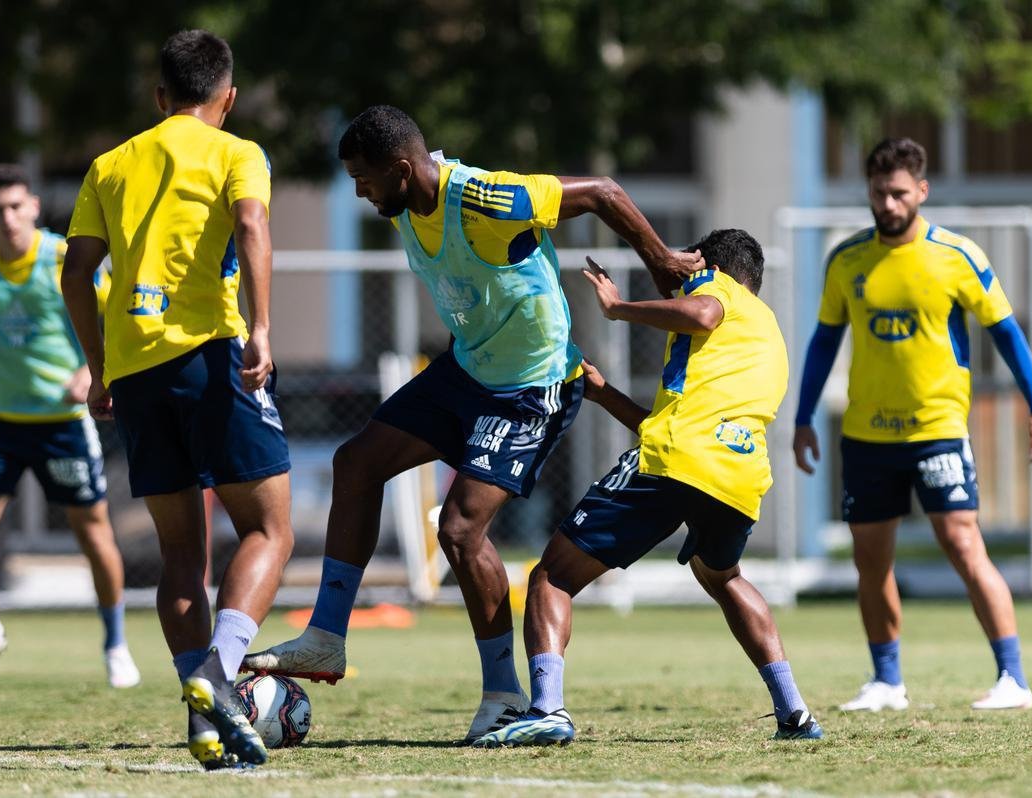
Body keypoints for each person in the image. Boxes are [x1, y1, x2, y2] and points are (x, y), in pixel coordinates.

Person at [243, 104, 701, 743]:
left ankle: (505, 697)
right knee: (357, 462)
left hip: (530, 386)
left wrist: (657, 258)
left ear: (403, 170)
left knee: (459, 530)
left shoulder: (487, 199)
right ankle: (326, 637)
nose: (359, 192)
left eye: (365, 179)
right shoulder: (406, 203)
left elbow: (602, 192)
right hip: (468, 371)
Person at [474, 229, 822, 747]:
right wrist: (602, 393)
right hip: (740, 473)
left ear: (708, 267)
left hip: (675, 462)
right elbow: (661, 422)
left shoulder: (716, 293)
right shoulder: (763, 329)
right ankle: (795, 713)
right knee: (725, 578)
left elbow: (702, 312)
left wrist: (617, 308)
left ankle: (547, 708)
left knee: (551, 578)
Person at [62, 30, 293, 769]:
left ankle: (205, 714)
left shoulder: (110, 163)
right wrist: (260, 328)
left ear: (160, 97)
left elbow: (75, 273)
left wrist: (99, 368)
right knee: (269, 530)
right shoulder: (237, 153)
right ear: (227, 97)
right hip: (210, 357)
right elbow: (252, 225)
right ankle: (219, 680)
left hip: (135, 374)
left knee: (178, 554)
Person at [792, 137, 1032, 712]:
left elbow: (1006, 334)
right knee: (871, 561)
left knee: (962, 543)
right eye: (878, 192)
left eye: (898, 193)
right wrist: (804, 415)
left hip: (937, 428)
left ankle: (1013, 678)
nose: (887, 203)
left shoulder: (957, 256)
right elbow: (823, 341)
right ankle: (887, 682)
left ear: (922, 192)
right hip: (865, 435)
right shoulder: (846, 260)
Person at [0, 163, 139, 690]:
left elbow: (118, 314)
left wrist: (92, 369)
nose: (8, 216)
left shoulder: (63, 257)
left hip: (61, 424)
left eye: (17, 205)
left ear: (34, 207)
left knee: (93, 534)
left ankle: (115, 641)